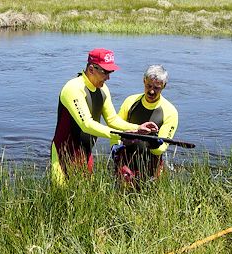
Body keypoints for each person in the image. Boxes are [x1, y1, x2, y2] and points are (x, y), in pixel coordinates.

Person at [50, 48, 158, 184]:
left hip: (85, 152)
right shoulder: (73, 88)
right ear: (91, 69)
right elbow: (86, 125)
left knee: (84, 198)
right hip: (62, 154)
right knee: (62, 199)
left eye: (110, 72)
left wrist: (137, 128)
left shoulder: (103, 89)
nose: (108, 77)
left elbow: (112, 119)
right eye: (105, 72)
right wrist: (121, 135)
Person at [112, 64, 178, 187]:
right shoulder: (130, 101)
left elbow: (161, 149)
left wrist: (154, 142)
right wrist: (114, 147)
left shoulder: (170, 111)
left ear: (164, 86)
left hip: (151, 163)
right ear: (143, 81)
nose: (151, 91)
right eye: (148, 86)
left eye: (157, 88)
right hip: (126, 159)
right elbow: (115, 129)